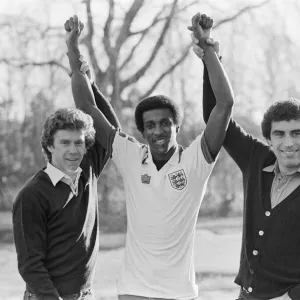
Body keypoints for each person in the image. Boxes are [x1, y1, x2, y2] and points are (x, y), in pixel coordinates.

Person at [65, 12, 233, 300]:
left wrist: (206, 48)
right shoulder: (131, 155)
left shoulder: (196, 161)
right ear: (142, 132)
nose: (159, 131)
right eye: (151, 125)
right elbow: (87, 107)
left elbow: (224, 104)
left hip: (180, 294)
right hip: (133, 292)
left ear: (177, 126)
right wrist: (72, 48)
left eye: (166, 123)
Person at [190, 18, 300, 300]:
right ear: (269, 139)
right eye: (280, 134)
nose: (289, 143)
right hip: (247, 295)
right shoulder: (256, 158)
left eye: (297, 133)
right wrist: (209, 56)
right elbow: (217, 116)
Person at [12, 49, 120, 300]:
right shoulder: (32, 195)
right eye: (65, 143)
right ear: (49, 146)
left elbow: (113, 131)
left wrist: (90, 84)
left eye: (79, 143)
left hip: (85, 295)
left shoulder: (88, 171)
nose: (73, 150)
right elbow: (30, 265)